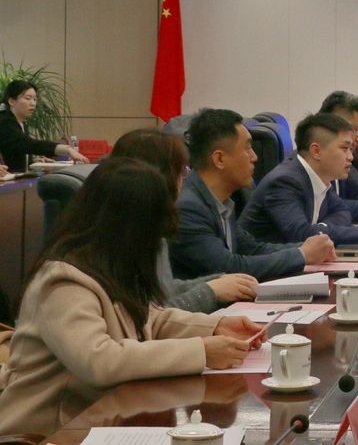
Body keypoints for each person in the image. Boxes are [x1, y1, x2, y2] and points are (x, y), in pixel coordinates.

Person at [0, 157, 263, 440]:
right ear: (129, 226)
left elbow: (149, 318)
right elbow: (98, 360)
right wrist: (201, 351)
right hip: (44, 433)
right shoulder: (62, 280)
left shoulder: (111, 265)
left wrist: (215, 327)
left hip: (103, 420)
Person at [170, 108, 335, 282]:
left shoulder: (222, 201)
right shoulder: (188, 208)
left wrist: (308, 247)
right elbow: (229, 267)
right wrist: (302, 254)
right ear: (219, 159)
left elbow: (253, 249)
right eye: (248, 148)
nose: (254, 157)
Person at [109, 128, 258, 313]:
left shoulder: (147, 227)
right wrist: (210, 292)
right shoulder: (122, 239)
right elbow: (149, 316)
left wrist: (216, 282)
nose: (183, 182)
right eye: (182, 172)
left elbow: (164, 290)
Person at [240, 113, 358, 247]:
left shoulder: (319, 177)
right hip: (263, 271)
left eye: (351, 150)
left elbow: (342, 211)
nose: (350, 157)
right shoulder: (285, 181)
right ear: (316, 151)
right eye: (344, 149)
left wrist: (320, 228)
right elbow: (301, 234)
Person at [0, 80, 87, 171]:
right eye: (28, 98)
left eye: (35, 99)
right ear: (11, 101)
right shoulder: (4, 121)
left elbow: (17, 150)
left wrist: (34, 161)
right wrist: (66, 149)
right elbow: (27, 143)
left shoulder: (21, 123)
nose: (33, 103)